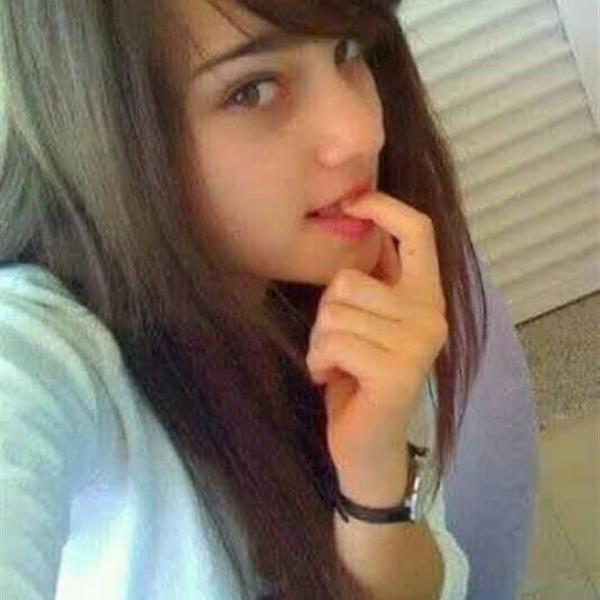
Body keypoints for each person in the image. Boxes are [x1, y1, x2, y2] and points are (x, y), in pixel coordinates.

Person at [0, 0, 497, 597]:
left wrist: (373, 472)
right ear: (102, 130)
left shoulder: (341, 295)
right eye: (253, 90)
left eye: (347, 50)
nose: (362, 133)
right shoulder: (43, 352)